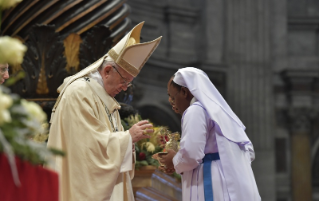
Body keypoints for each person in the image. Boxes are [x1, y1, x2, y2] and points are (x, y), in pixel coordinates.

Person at [47, 22, 162, 201]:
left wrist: (127, 141)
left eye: (128, 84)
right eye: (124, 81)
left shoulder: (107, 101)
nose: (124, 88)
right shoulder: (79, 93)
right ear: (107, 70)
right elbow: (86, 150)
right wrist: (128, 137)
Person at [159, 67, 261, 201]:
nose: (171, 102)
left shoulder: (195, 110)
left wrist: (173, 160)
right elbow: (249, 152)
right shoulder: (222, 113)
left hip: (210, 182)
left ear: (184, 92)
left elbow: (191, 155)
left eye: (172, 97)